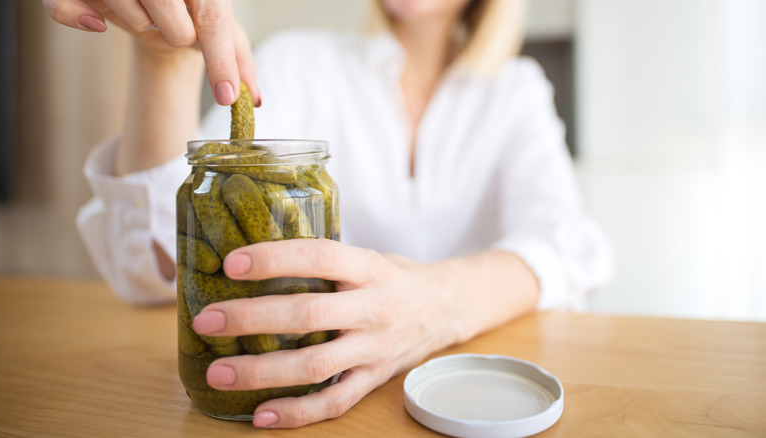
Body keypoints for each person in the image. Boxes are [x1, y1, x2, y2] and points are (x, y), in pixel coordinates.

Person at [43, 0, 613, 429]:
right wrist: (162, 54)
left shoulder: (516, 90)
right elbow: (156, 265)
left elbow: (567, 247)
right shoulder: (296, 62)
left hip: (474, 395)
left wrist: (434, 305)